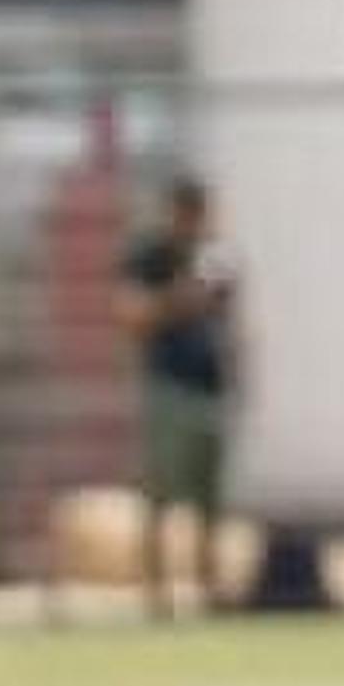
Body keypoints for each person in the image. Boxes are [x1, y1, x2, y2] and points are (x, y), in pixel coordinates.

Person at [119, 176, 241, 620]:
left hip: (211, 390)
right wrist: (180, 298)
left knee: (211, 501)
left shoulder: (218, 258)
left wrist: (239, 373)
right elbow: (132, 315)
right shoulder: (151, 257)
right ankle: (157, 595)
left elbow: (232, 321)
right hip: (170, 391)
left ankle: (209, 590)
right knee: (163, 495)